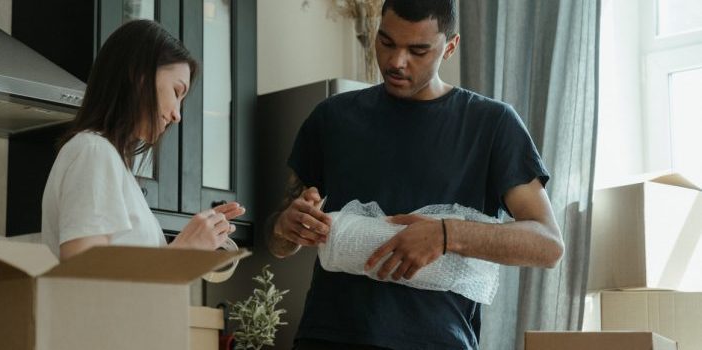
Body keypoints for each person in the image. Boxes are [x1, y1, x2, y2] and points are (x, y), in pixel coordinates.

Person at [267, 0, 564, 349]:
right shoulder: (331, 118)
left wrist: (446, 234)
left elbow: (547, 245)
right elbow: (279, 245)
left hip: (436, 341)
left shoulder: (492, 124)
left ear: (449, 47)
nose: (396, 62)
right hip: (326, 338)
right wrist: (285, 226)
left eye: (418, 50)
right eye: (387, 42)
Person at [42, 19, 244, 260]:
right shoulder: (93, 151)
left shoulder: (112, 163)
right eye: (176, 92)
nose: (177, 115)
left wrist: (193, 244)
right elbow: (84, 278)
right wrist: (183, 251)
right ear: (139, 76)